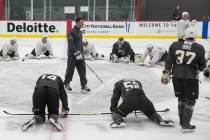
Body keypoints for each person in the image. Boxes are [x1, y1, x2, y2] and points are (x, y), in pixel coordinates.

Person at [161, 28, 206, 133]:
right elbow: (201, 67)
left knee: (181, 98)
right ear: (195, 37)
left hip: (176, 76)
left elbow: (168, 60)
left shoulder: (175, 44)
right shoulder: (199, 47)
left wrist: (166, 72)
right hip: (190, 77)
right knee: (190, 101)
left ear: (184, 36)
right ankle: (185, 125)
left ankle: (182, 122)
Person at [110, 79, 174, 128]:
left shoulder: (118, 85)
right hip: (143, 99)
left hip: (130, 101)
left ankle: (119, 121)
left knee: (116, 113)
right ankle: (160, 120)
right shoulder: (137, 82)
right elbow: (141, 94)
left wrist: (113, 109)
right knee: (152, 113)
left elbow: (114, 99)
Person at [64, 17, 90, 93]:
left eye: (83, 23)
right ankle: (67, 83)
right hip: (72, 55)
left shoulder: (80, 32)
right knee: (70, 70)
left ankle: (83, 85)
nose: (83, 24)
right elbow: (71, 45)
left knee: (82, 70)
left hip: (80, 55)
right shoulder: (71, 32)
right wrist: (77, 53)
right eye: (81, 23)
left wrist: (81, 53)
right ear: (77, 23)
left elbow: (79, 44)